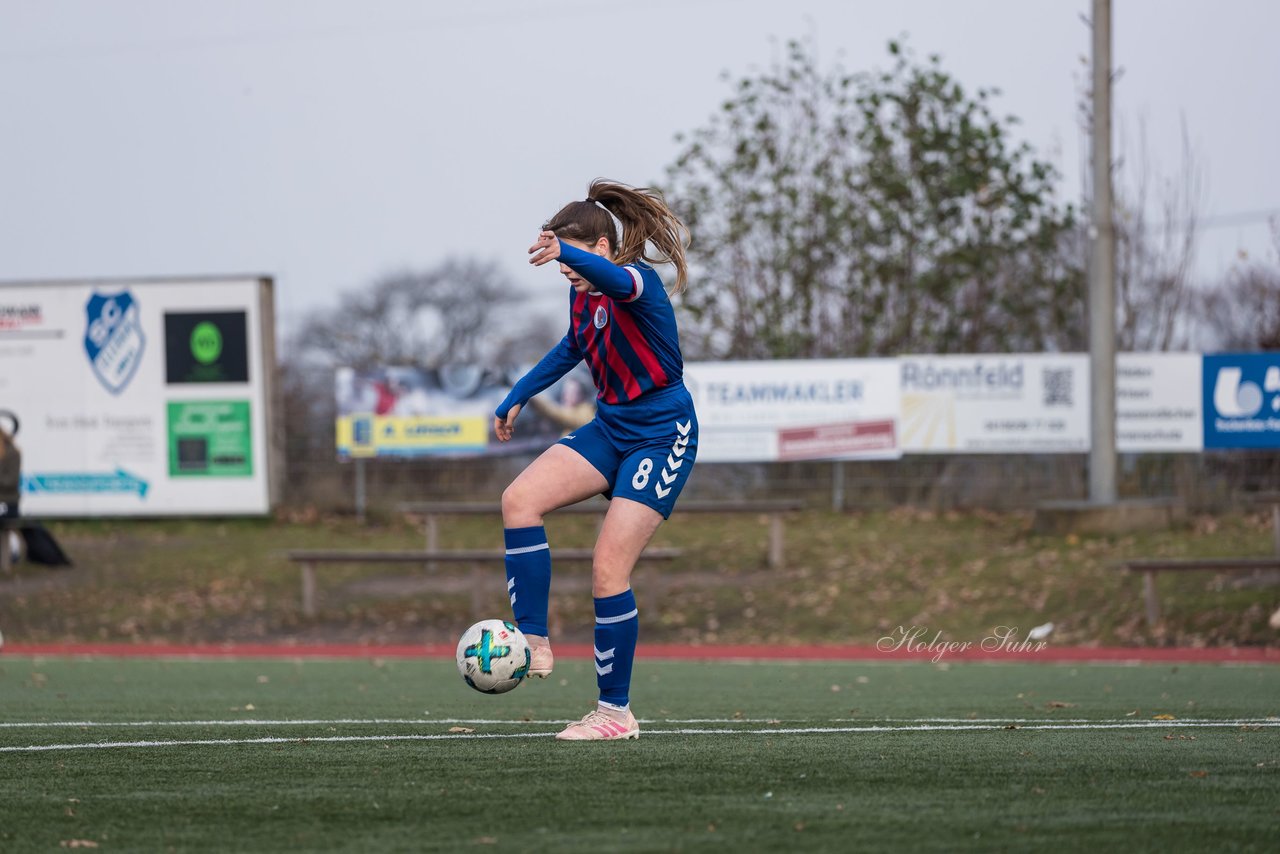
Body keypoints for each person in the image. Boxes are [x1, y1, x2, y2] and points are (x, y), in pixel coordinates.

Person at [494, 179, 697, 742]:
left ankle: (614, 714)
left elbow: (617, 281)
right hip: (611, 426)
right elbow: (572, 347)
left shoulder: (637, 281)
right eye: (561, 263)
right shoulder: (582, 293)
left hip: (661, 433)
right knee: (519, 500)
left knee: (609, 569)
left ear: (603, 248)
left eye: (574, 259)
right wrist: (517, 394)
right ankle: (533, 639)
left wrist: (568, 251)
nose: (566, 273)